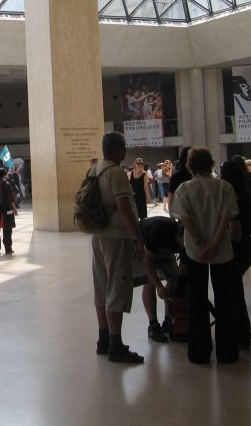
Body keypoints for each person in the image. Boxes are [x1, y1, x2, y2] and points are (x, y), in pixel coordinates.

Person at [171, 147, 239, 364]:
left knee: (197, 300)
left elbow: (185, 219)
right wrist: (214, 243)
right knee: (225, 300)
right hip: (222, 250)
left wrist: (200, 243)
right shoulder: (224, 187)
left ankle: (199, 352)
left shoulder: (184, 189)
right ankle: (227, 351)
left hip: (194, 251)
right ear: (211, 164)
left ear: (190, 166)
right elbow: (225, 218)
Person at [91, 132, 145, 364]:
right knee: (116, 287)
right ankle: (116, 344)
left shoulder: (95, 170)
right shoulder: (116, 173)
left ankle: (103, 340)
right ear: (118, 149)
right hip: (116, 236)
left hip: (98, 235)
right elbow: (124, 208)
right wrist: (138, 237)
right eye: (123, 146)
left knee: (102, 288)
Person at [220, 160, 251, 349]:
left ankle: (239, 333)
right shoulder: (246, 192)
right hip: (246, 247)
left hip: (234, 248)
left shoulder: (230, 195)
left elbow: (235, 231)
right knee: (236, 291)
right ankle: (243, 333)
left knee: (233, 294)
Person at [139, 216, 183, 344]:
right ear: (178, 237)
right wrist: (159, 286)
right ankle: (153, 326)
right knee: (150, 281)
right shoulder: (158, 233)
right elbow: (148, 263)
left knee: (174, 280)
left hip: (164, 248)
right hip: (145, 245)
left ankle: (168, 321)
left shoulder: (185, 239)